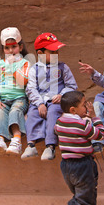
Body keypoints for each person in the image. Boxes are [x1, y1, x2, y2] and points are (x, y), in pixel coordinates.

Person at [22, 33, 77, 161]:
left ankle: (50, 146)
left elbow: (72, 85)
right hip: (40, 100)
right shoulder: (34, 69)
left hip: (56, 101)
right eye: (52, 52)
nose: (56, 54)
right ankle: (31, 144)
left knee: (53, 112)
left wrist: (62, 95)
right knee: (32, 113)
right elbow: (31, 89)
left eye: (57, 51)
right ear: (40, 53)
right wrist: (39, 103)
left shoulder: (63, 67)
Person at [55, 91, 104, 205]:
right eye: (84, 105)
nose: (87, 108)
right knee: (86, 200)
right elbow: (100, 135)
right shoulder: (83, 125)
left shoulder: (59, 122)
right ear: (73, 110)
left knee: (79, 195)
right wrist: (94, 118)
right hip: (82, 165)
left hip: (66, 165)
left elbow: (58, 130)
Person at [0, 27, 30, 155]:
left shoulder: (25, 63)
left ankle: (17, 140)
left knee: (15, 111)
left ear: (21, 46)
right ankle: (0, 139)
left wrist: (13, 66)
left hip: (19, 99)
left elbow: (22, 81)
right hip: (4, 100)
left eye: (14, 47)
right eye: (7, 48)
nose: (10, 51)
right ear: (3, 49)